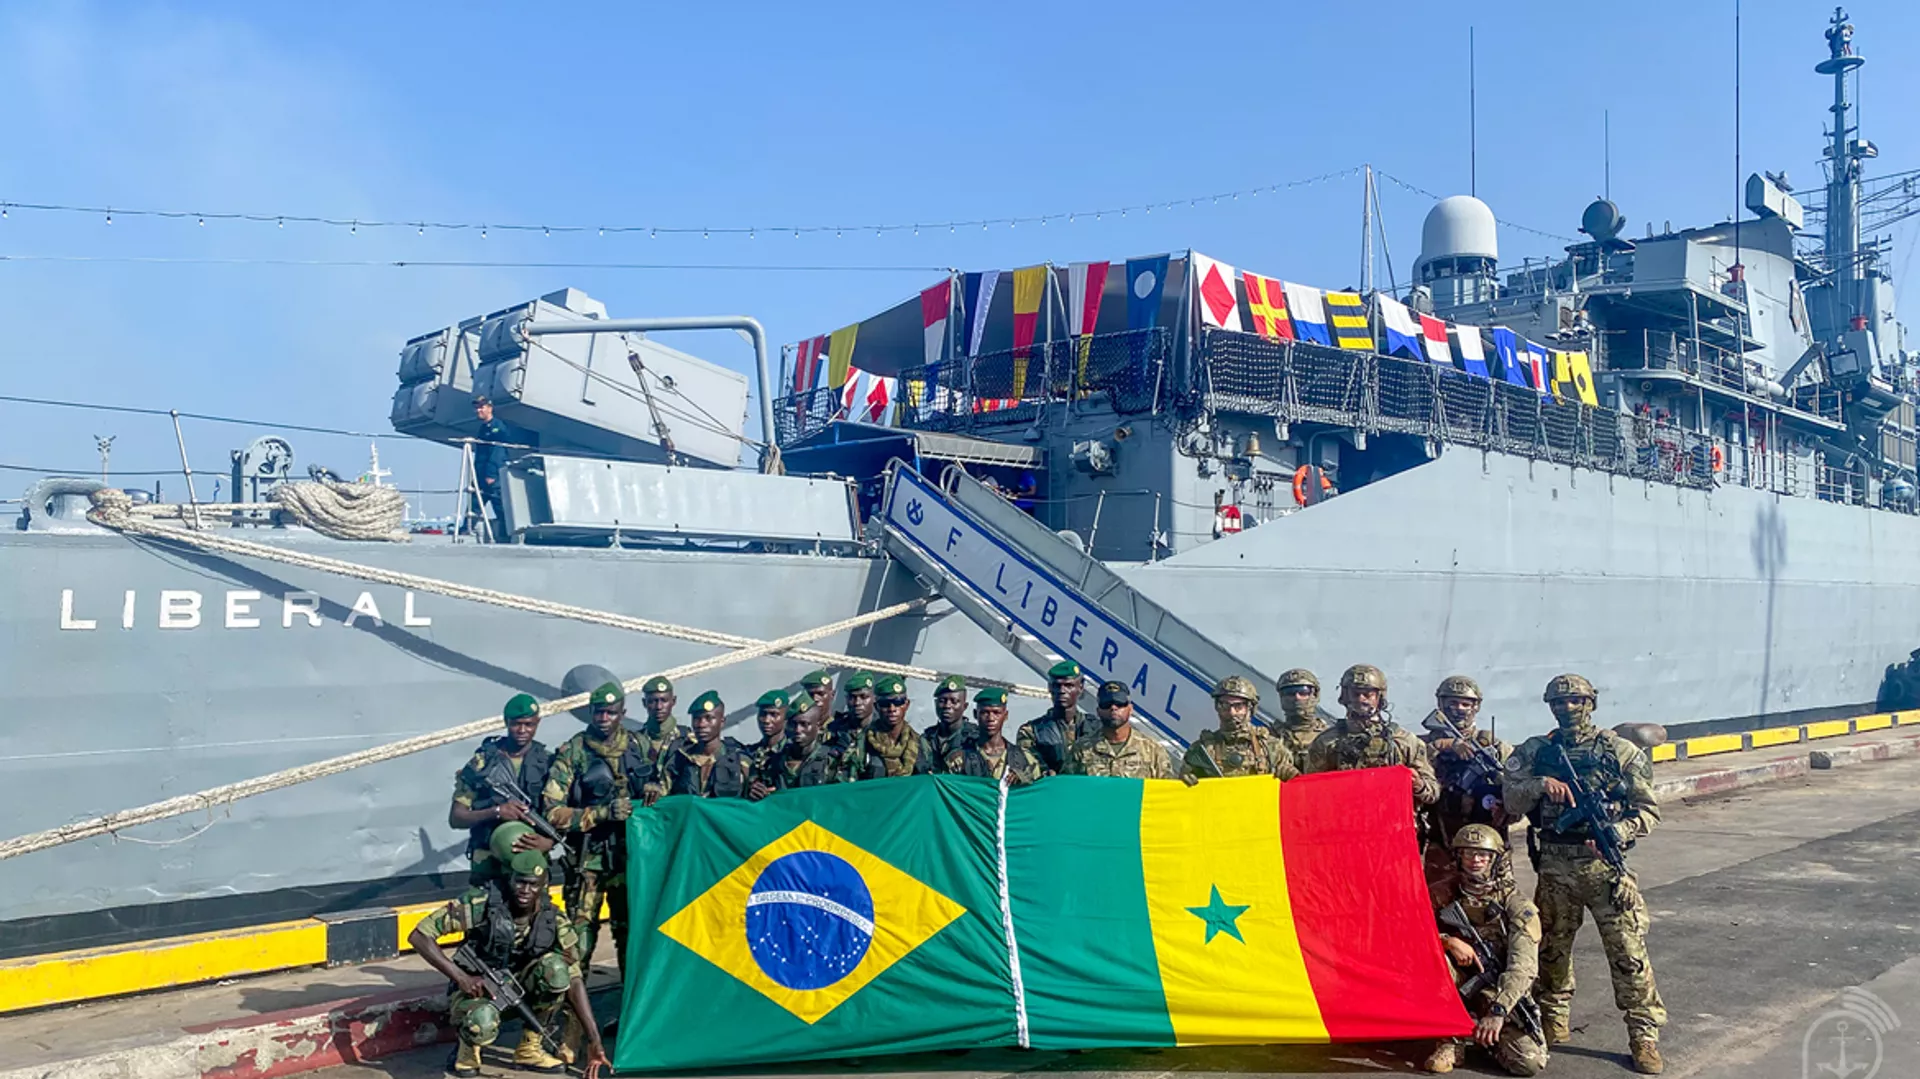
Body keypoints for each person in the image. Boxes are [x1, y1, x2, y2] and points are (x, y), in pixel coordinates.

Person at [1504, 674, 1665, 1073]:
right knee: (1552, 951)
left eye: (1576, 701)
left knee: (1629, 953)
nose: (1568, 708)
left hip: (1605, 868)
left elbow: (1648, 809)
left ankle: (1643, 1034)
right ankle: (1553, 1018)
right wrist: (1541, 784)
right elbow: (1510, 797)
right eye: (1560, 703)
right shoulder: (1536, 750)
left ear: (1591, 703)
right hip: (1556, 866)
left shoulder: (1620, 751)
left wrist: (1618, 830)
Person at [408, 849, 609, 1079]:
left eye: (533, 884)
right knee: (482, 1021)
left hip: (519, 990)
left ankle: (529, 1048)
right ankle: (467, 1050)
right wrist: (461, 977)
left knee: (557, 971)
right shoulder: (481, 903)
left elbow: (574, 980)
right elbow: (419, 936)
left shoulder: (552, 918)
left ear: (544, 885)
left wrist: (595, 1041)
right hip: (478, 992)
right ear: (510, 879)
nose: (525, 890)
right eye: (519, 882)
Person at [540, 681, 656, 979]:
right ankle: (574, 1020)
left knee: (632, 939)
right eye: (598, 712)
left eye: (611, 712)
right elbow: (552, 812)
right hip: (587, 862)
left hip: (629, 861)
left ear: (622, 712)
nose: (604, 718)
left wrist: (656, 789)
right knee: (577, 942)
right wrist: (602, 814)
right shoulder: (573, 751)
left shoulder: (639, 747)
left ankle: (630, 1016)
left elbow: (661, 790)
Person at [1422, 825, 1548, 1077]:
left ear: (1495, 859)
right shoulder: (1440, 893)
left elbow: (1523, 967)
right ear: (1459, 857)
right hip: (1454, 981)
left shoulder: (1516, 905)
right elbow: (1409, 932)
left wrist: (1499, 1011)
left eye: (1483, 854)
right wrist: (1447, 941)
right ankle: (1450, 1040)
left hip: (1496, 988)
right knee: (1435, 961)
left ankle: (1487, 1040)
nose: (1475, 860)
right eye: (1468, 853)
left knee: (1528, 1062)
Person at [448, 693, 556, 885]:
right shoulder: (482, 764)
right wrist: (496, 812)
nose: (522, 730)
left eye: (529, 724)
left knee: (535, 914)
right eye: (516, 724)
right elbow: (457, 818)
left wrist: (549, 842)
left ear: (537, 723)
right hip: (489, 861)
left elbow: (562, 813)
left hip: (531, 862)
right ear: (506, 722)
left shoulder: (548, 763)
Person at [1304, 664, 1440, 806]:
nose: (1361, 699)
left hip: (1393, 822)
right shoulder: (1327, 742)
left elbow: (1433, 792)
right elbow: (1308, 790)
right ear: (1345, 696)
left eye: (1368, 694)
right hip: (1345, 820)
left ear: (1379, 697)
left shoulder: (1403, 741)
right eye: (1355, 693)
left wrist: (1418, 784)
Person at [1421, 675, 1514, 879]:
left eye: (1466, 704)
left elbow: (1517, 791)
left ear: (1476, 707)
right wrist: (1444, 746)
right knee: (1440, 905)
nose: (1460, 709)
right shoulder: (1423, 744)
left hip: (1488, 848)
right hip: (1442, 845)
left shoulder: (1496, 746)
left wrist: (1508, 810)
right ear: (1440, 704)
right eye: (1453, 703)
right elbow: (1407, 767)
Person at [1184, 676, 1299, 780]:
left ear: (1250, 708)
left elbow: (1294, 792)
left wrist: (1291, 776)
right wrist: (1187, 780)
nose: (1231, 712)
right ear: (1217, 707)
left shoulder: (1271, 748)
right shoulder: (1201, 750)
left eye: (1238, 706)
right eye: (1224, 705)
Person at [1065, 681, 1181, 779]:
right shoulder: (1081, 749)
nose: (1113, 708)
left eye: (1119, 704)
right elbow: (1067, 788)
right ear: (1098, 711)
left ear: (1130, 709)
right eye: (1106, 704)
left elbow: (1167, 791)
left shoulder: (1153, 751)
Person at [658, 691, 754, 797]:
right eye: (696, 719)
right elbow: (662, 798)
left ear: (722, 722)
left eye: (709, 718)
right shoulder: (678, 760)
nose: (701, 724)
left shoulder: (740, 762)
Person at [942, 686, 1042, 786]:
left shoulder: (1025, 759)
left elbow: (1038, 792)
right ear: (975, 714)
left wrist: (1023, 778)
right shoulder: (959, 760)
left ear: (1005, 715)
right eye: (984, 712)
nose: (991, 718)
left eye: (996, 712)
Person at [1017, 660, 1101, 776]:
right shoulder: (1031, 731)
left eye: (1069, 685)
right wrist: (1044, 772)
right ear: (1050, 688)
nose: (1062, 691)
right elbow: (1027, 764)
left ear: (1080, 687)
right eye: (1057, 686)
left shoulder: (1097, 728)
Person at [468, 396, 530, 542]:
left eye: (482, 407)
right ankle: (467, 530)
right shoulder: (484, 428)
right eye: (477, 407)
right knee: (474, 505)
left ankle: (506, 535)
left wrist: (491, 474)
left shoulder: (497, 427)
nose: (479, 410)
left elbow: (497, 452)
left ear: (490, 408)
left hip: (491, 476)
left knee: (500, 506)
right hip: (481, 474)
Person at [848, 675, 931, 779]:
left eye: (898, 702)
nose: (892, 709)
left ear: (906, 705)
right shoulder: (862, 742)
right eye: (885, 703)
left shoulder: (921, 744)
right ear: (876, 706)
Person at [764, 704, 846, 791]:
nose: (797, 730)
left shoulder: (831, 761)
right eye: (793, 724)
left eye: (804, 724)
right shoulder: (774, 762)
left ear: (817, 726)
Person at [1272, 668, 1331, 776]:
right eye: (1289, 693)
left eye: (1303, 692)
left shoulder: (1331, 738)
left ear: (1315, 695)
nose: (1296, 698)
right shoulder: (1268, 738)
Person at [923, 674, 978, 762]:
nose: (947, 706)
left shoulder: (974, 740)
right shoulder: (926, 739)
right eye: (942, 701)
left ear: (965, 706)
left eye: (954, 701)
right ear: (935, 704)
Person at [826, 671, 877, 749]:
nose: (857, 703)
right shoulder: (834, 728)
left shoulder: (882, 730)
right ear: (846, 699)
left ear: (874, 698)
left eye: (863, 697)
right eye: (852, 697)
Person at [637, 675, 682, 761]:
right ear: (644, 703)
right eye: (652, 701)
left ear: (673, 701)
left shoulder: (686, 740)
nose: (659, 707)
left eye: (664, 700)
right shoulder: (635, 743)